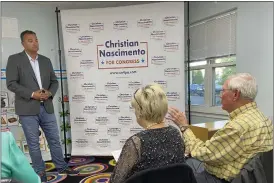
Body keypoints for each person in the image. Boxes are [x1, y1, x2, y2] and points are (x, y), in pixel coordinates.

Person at [168, 73, 273, 183]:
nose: (220, 95)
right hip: (250, 176)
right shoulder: (262, 117)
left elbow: (202, 153)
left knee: (180, 169)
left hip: (222, 179)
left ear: (235, 94)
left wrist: (184, 127)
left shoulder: (237, 127)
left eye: (222, 91)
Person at [5, 30, 79, 182]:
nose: (35, 43)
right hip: (27, 108)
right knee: (33, 143)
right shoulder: (14, 59)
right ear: (23, 44)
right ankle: (40, 172)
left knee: (54, 139)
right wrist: (33, 94)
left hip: (47, 106)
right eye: (30, 40)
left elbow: (54, 81)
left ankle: (62, 167)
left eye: (36, 40)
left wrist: (49, 93)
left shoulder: (45, 60)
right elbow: (11, 83)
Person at [109, 83, 186, 183]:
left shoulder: (136, 142)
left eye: (135, 109)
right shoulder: (175, 133)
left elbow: (116, 180)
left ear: (140, 112)